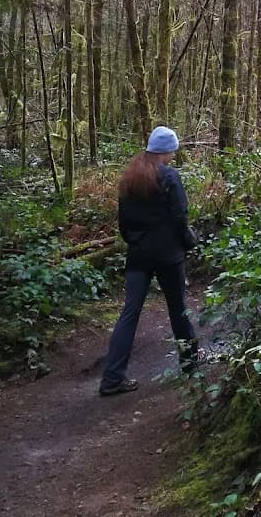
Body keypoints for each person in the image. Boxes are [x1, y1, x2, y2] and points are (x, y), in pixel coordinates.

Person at [99, 126, 199, 396]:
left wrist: (136, 242)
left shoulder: (130, 178)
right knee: (178, 308)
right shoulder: (170, 176)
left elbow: (123, 223)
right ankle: (190, 366)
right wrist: (190, 243)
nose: (174, 155)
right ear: (166, 150)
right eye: (173, 150)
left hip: (139, 255)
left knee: (129, 313)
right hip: (168, 255)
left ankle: (111, 378)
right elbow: (180, 217)